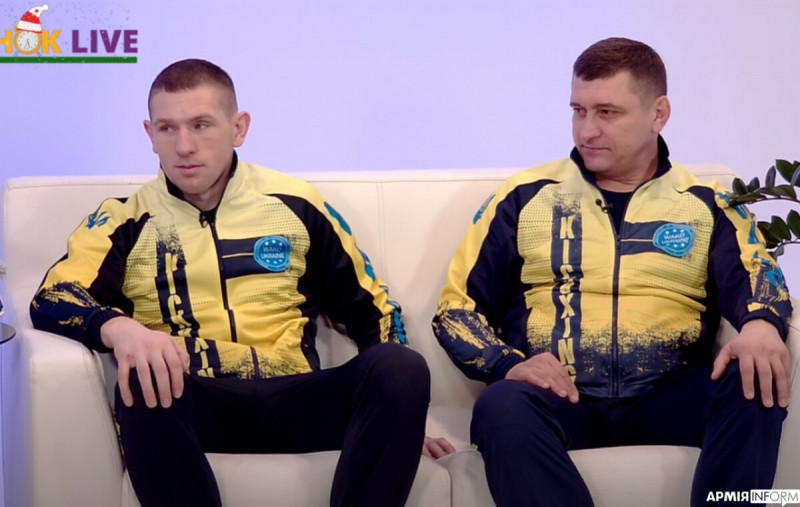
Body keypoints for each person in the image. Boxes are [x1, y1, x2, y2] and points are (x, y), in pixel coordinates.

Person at [31, 58, 453, 507]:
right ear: (150, 135)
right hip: (194, 400)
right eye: (168, 129)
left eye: (201, 125)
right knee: (141, 379)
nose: (184, 146)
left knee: (400, 368)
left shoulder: (295, 204)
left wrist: (399, 421)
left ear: (238, 128)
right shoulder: (123, 220)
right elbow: (52, 298)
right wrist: (120, 329)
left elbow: (375, 311)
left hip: (298, 399)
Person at [432, 37, 792, 507]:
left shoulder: (707, 203)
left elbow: (759, 279)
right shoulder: (525, 197)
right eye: (578, 111)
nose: (587, 131)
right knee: (501, 404)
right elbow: (455, 310)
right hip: (561, 397)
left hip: (669, 393)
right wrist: (508, 364)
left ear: (658, 114)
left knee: (753, 378)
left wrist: (762, 323)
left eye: (607, 113)